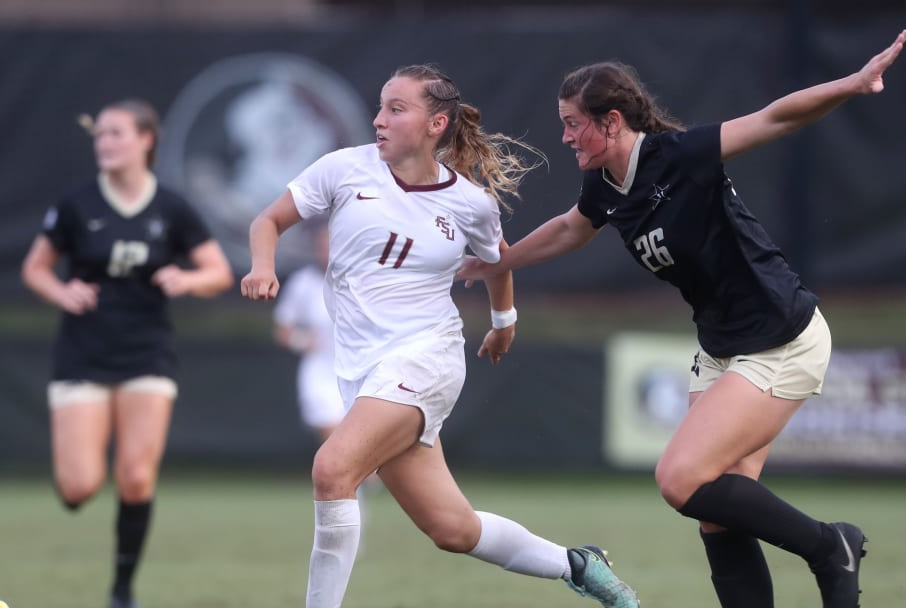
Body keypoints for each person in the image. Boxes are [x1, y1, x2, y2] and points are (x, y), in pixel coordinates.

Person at [459, 30, 906, 608]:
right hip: (721, 346)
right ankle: (827, 554)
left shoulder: (678, 155)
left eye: (573, 123)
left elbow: (775, 118)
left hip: (781, 337)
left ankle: (830, 547)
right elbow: (572, 227)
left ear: (612, 121)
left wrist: (852, 82)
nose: (565, 136)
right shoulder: (605, 183)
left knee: (681, 479)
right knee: (718, 510)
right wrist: (501, 261)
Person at [240, 64, 639, 608]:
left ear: (436, 124)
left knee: (332, 470)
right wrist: (262, 266)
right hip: (362, 369)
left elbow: (498, 263)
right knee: (452, 528)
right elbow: (267, 221)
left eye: (396, 109)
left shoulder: (470, 203)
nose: (379, 119)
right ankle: (578, 565)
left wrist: (503, 323)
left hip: (426, 358)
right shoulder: (343, 168)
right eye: (380, 107)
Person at [21, 99, 234, 608]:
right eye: (100, 135)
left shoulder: (172, 207)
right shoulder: (76, 204)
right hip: (84, 353)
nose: (105, 143)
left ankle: (122, 591)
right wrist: (61, 291)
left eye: (116, 133)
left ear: (146, 140)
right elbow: (35, 269)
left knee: (136, 476)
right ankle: (78, 490)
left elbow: (219, 272)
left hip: (146, 352)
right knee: (78, 487)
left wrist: (187, 279)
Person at [272, 220, 344, 443]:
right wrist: (303, 341)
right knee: (335, 443)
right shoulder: (302, 282)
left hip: (360, 372)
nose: (326, 251)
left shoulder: (361, 280)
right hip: (319, 373)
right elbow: (281, 331)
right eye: (322, 245)